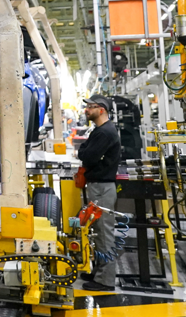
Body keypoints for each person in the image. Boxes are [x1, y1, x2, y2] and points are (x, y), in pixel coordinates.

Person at [76, 94, 121, 291]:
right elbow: (85, 151)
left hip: (102, 188)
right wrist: (85, 150)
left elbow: (87, 157)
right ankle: (99, 272)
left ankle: (105, 280)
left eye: (90, 107)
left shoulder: (104, 133)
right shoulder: (100, 130)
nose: (86, 110)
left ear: (101, 109)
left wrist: (85, 151)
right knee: (98, 233)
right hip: (99, 187)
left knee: (104, 234)